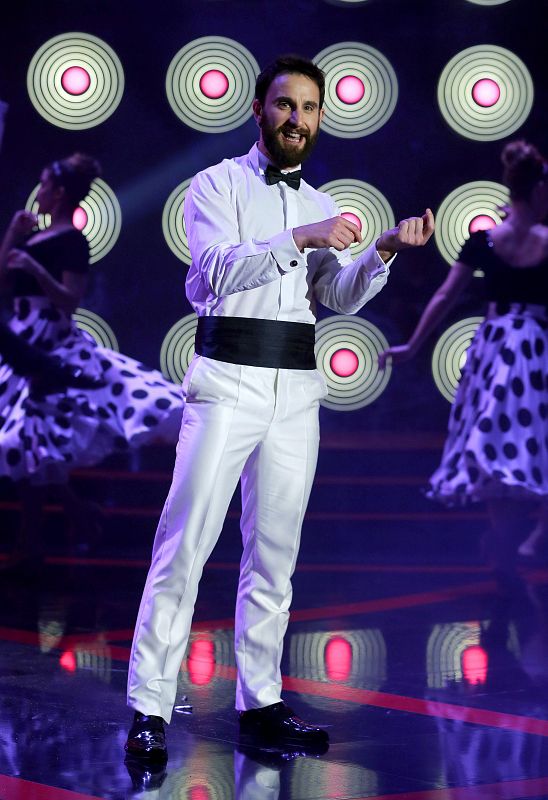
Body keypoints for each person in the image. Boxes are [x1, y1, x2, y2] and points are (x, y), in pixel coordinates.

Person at [125, 54, 435, 762]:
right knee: (186, 547)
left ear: (322, 118)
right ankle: (148, 706)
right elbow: (210, 277)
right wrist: (297, 237)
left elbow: (339, 297)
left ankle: (260, 701)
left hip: (295, 392)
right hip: (226, 381)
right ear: (259, 110)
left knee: (275, 556)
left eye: (310, 108)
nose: (298, 119)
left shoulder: (319, 201)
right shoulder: (216, 185)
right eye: (286, 105)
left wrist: (383, 251)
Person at [0, 153, 184, 568]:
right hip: (20, 338)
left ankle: (35, 544)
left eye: (46, 183)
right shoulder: (33, 238)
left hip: (49, 342)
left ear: (61, 192)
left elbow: (69, 301)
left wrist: (33, 267)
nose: (40, 191)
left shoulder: (72, 240)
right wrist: (13, 238)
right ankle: (79, 517)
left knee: (30, 437)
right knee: (32, 442)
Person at [379, 140, 548, 573]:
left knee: (497, 439)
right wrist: (412, 346)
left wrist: (413, 346)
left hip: (497, 347)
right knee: (522, 439)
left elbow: (444, 297)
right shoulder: (534, 240)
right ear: (536, 192)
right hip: (533, 346)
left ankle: (513, 542)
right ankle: (517, 544)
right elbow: (443, 295)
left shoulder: (486, 240)